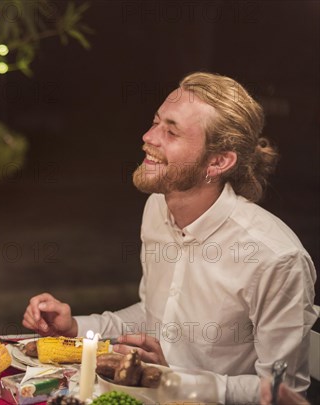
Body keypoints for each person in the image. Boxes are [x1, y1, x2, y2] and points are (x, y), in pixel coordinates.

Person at [22, 72, 317, 403]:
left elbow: (282, 394)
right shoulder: (156, 208)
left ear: (218, 162)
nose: (148, 137)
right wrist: (75, 327)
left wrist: (175, 381)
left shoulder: (275, 258)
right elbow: (154, 314)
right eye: (155, 122)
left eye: (171, 132)